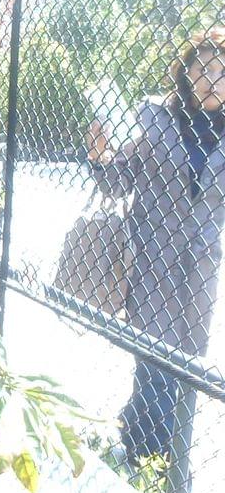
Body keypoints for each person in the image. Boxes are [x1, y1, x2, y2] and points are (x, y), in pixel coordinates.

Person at [88, 27, 225, 463]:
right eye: (201, 68)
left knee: (188, 364)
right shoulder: (156, 119)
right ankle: (146, 453)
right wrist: (98, 156)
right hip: (154, 259)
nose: (210, 80)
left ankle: (149, 449)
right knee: (152, 359)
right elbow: (119, 179)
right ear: (184, 73)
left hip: (201, 267)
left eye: (221, 72)